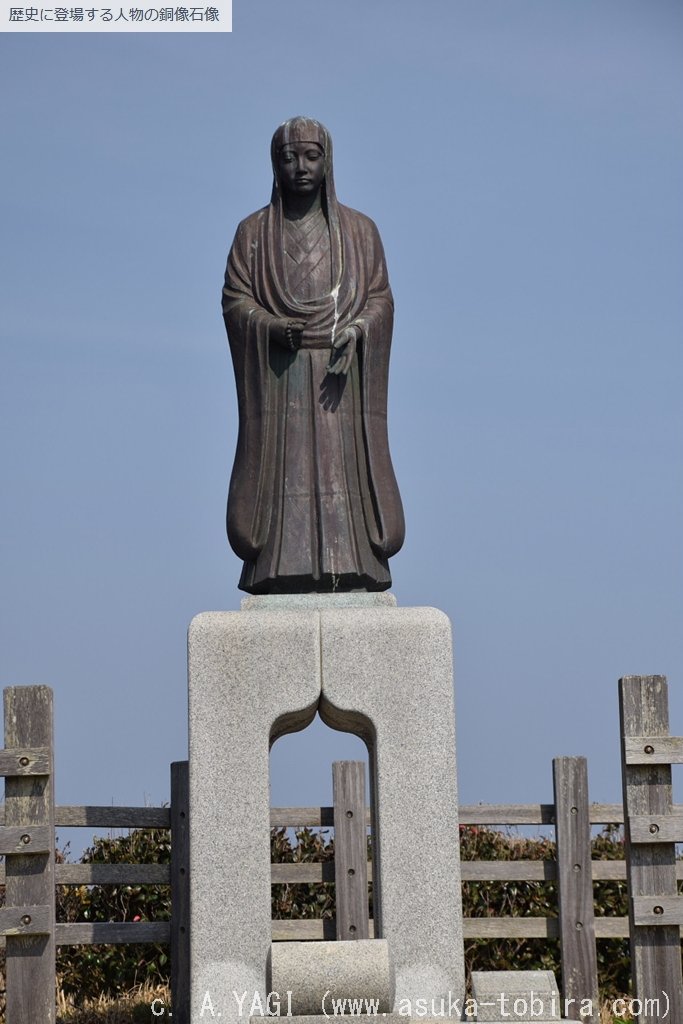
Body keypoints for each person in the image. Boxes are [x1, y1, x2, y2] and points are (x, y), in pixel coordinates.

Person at [222, 116, 404, 594]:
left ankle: (354, 560)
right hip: (281, 380)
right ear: (274, 164)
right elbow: (235, 300)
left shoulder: (361, 232)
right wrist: (270, 327)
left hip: (342, 380)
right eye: (288, 157)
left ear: (328, 160)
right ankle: (276, 565)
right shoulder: (252, 234)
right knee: (286, 481)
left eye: (310, 155)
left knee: (344, 479)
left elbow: (380, 298)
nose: (299, 167)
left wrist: (360, 329)